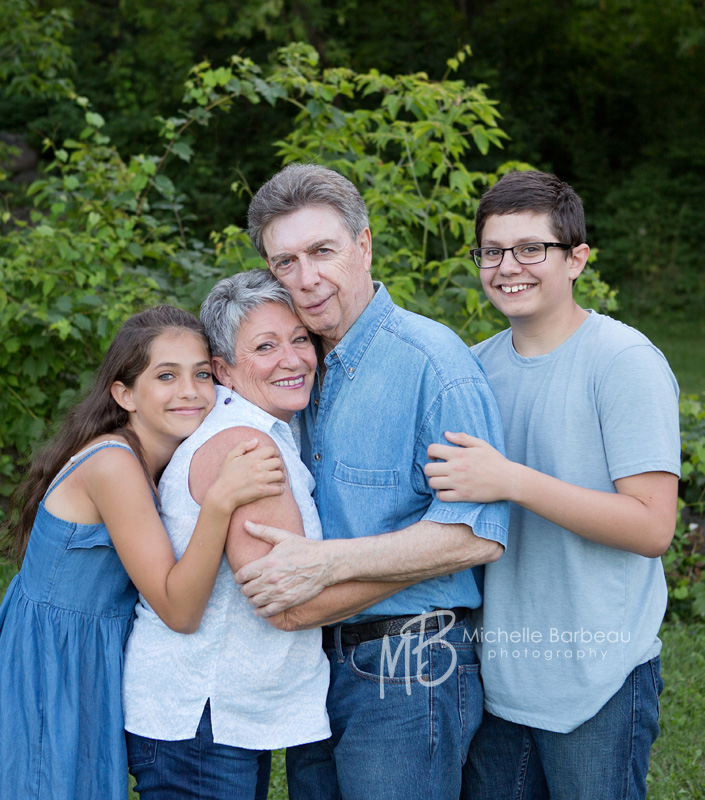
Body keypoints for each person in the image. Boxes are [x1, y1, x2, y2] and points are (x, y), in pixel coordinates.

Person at [233, 163, 511, 800]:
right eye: (285, 262)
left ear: (363, 245)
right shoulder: (296, 368)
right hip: (314, 667)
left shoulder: (433, 366)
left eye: (323, 251)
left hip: (409, 669)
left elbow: (477, 535)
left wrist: (325, 564)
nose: (307, 279)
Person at [0, 306, 286, 800]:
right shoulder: (113, 463)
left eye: (201, 374)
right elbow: (179, 609)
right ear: (124, 393)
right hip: (53, 660)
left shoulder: (156, 457)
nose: (190, 391)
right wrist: (220, 501)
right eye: (166, 376)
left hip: (87, 651)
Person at [423, 170, 681, 800]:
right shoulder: (474, 369)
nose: (509, 266)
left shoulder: (623, 362)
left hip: (597, 675)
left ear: (577, 260)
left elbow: (652, 527)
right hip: (496, 674)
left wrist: (511, 481)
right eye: (493, 251)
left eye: (532, 249)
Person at [122, 270, 407, 800]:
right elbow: (286, 605)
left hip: (220, 715)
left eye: (300, 339)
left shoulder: (275, 431)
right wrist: (421, 563)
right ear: (224, 371)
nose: (293, 358)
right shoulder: (246, 446)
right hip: (199, 715)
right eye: (266, 346)